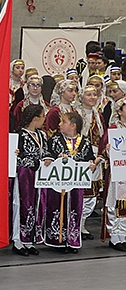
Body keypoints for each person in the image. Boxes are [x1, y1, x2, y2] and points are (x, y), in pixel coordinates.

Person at [44, 112, 96, 253]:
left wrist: (91, 165)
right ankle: (57, 239)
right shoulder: (54, 140)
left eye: (64, 122)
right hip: (58, 185)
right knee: (57, 209)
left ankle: (72, 239)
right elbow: (47, 157)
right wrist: (53, 159)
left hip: (76, 185)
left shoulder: (85, 142)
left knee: (74, 209)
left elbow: (90, 159)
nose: (60, 124)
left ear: (73, 126)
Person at [11, 104, 49, 256]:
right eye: (42, 116)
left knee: (35, 206)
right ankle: (18, 240)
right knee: (21, 205)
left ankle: (29, 239)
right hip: (24, 176)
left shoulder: (42, 135)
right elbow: (17, 159)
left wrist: (47, 159)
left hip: (38, 176)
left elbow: (46, 151)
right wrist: (36, 163)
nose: (44, 119)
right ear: (35, 118)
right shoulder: (19, 135)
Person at [77, 85, 105, 241]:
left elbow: (102, 138)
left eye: (95, 94)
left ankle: (83, 224)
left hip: (96, 158)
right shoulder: (76, 114)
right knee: (82, 192)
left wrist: (100, 156)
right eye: (89, 94)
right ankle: (77, 225)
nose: (92, 97)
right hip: (82, 158)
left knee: (92, 195)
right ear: (81, 96)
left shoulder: (98, 116)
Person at [101, 97, 126, 251]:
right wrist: (109, 149)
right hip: (118, 173)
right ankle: (116, 236)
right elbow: (103, 151)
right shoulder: (113, 129)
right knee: (116, 204)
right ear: (119, 111)